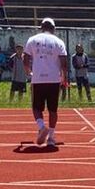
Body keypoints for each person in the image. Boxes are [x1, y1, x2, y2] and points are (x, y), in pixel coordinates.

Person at [23, 18, 68, 147]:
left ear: (41, 27)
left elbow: (25, 59)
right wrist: (64, 78)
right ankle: (51, 137)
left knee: (36, 107)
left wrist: (29, 72)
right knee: (53, 109)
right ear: (53, 28)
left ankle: (42, 126)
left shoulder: (32, 40)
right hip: (54, 79)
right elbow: (64, 63)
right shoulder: (58, 42)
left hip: (38, 79)